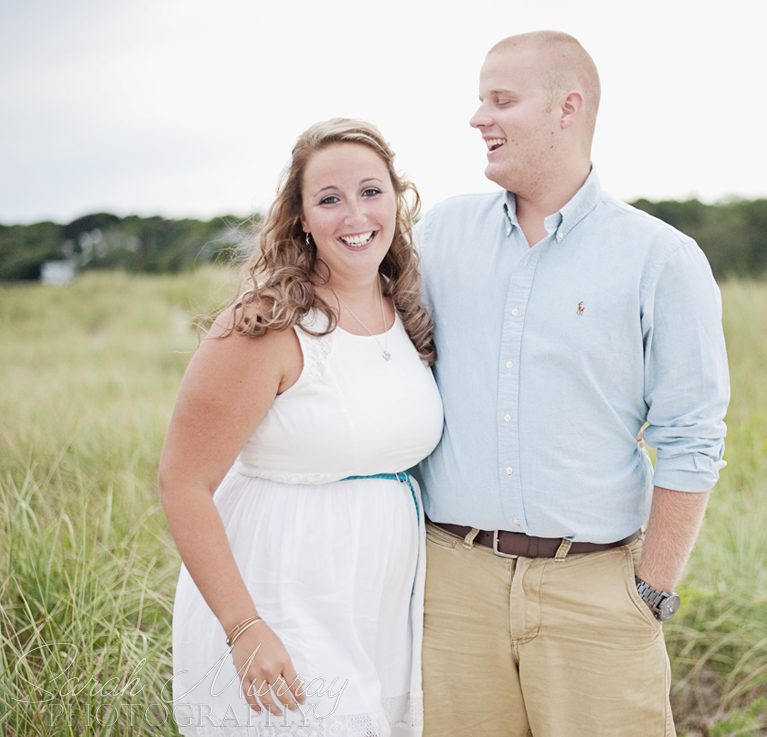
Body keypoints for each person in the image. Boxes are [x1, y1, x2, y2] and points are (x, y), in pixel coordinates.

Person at [414, 31, 730, 737]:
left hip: (596, 592)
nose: (477, 119)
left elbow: (691, 436)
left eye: (501, 100)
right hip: (452, 587)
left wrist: (648, 592)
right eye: (479, 100)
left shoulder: (662, 259)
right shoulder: (439, 235)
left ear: (567, 108)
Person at [159, 118, 443, 736]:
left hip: (377, 605)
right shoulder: (267, 321)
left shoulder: (407, 307)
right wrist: (244, 627)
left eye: (371, 191)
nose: (355, 215)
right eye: (329, 199)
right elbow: (182, 483)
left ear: (397, 199)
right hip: (281, 591)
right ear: (302, 218)